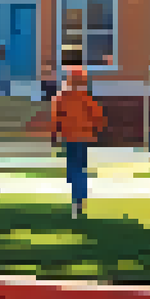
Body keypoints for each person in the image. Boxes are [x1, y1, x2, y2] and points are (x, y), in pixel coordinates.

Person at [50, 66, 107, 218]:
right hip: (83, 137)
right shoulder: (85, 96)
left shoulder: (61, 96)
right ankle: (79, 197)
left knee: (73, 167)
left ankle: (77, 195)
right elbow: (97, 115)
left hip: (69, 137)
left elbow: (55, 117)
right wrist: (96, 130)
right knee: (80, 167)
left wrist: (54, 135)